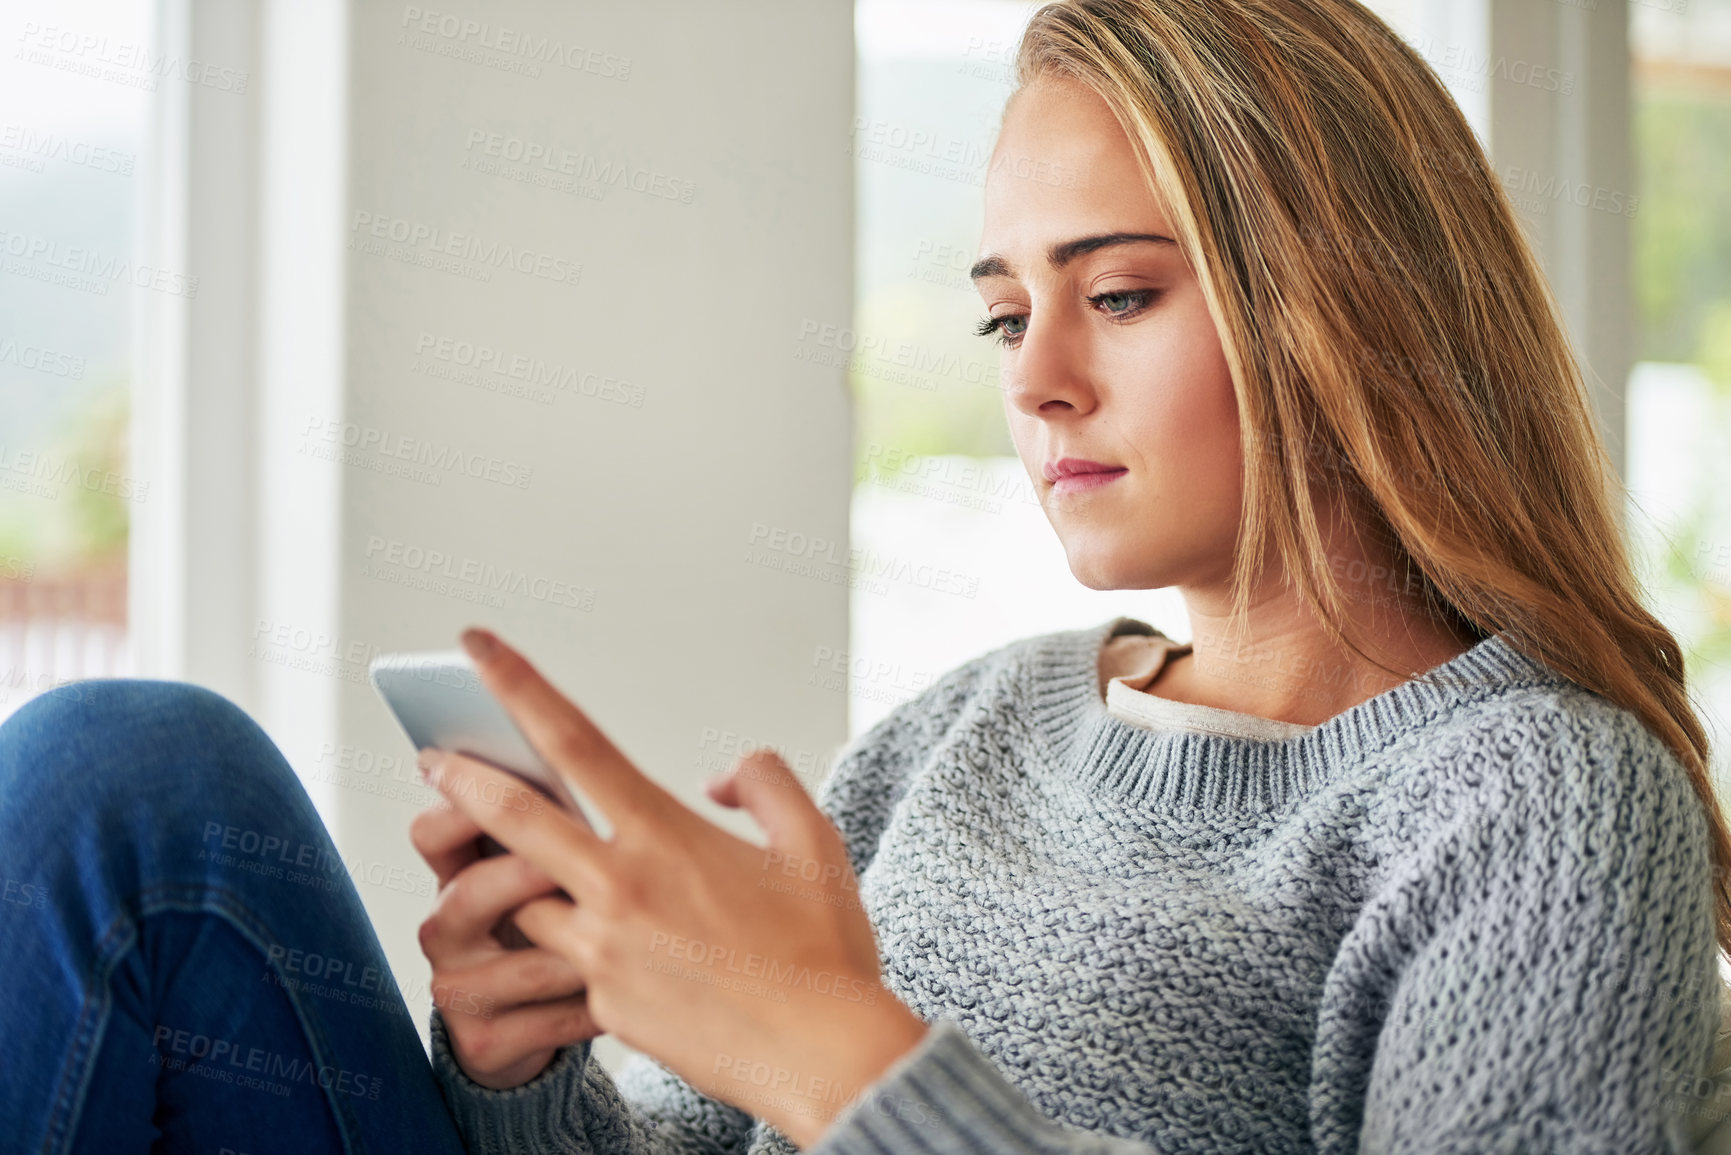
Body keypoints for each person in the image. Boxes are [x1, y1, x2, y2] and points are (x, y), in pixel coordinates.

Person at [3, 0, 1727, 1151]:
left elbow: (821, 1080)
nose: (1035, 375)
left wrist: (845, 1058)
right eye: (1001, 311)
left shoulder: (1537, 806)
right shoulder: (968, 728)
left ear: (1350, 298)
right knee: (128, 774)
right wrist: (528, 1071)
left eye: (1117, 293)